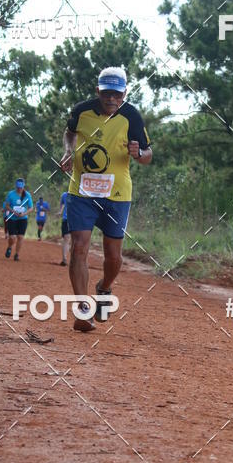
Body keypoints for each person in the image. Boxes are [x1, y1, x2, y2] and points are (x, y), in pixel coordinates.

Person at [60, 67, 152, 332]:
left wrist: (139, 153)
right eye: (107, 93)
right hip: (82, 192)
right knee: (80, 246)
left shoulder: (131, 116)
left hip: (117, 195)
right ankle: (82, 310)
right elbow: (70, 132)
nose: (112, 99)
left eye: (117, 94)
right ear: (98, 91)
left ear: (124, 93)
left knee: (114, 257)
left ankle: (104, 288)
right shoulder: (82, 111)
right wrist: (68, 151)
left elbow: (149, 155)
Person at [4, 178, 33, 261]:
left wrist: (24, 214)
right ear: (16, 186)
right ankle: (9, 247)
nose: (19, 189)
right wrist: (13, 211)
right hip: (12, 218)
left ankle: (17, 254)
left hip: (22, 219)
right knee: (12, 237)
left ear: (23, 186)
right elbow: (7, 205)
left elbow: (31, 208)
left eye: (21, 187)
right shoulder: (11, 194)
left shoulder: (27, 195)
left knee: (20, 237)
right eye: (18, 187)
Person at [57, 190, 70, 266]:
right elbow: (62, 204)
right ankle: (64, 259)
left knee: (74, 240)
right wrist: (60, 211)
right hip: (66, 219)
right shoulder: (64, 195)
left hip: (76, 220)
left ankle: (76, 260)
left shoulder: (81, 195)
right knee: (66, 238)